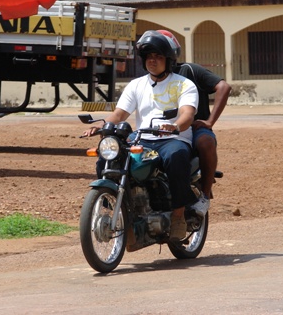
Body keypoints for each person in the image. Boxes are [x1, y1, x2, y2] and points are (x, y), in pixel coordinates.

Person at [82, 30, 201, 241]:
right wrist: (102, 126)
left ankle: (178, 216)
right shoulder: (137, 84)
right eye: (149, 57)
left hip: (172, 139)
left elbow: (187, 114)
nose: (152, 61)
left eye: (158, 56)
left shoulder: (184, 84)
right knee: (109, 155)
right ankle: (117, 203)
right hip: (143, 138)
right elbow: (120, 113)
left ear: (169, 60)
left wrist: (174, 127)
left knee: (176, 157)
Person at [158, 30, 232, 207]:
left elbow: (224, 87)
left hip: (194, 126)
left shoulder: (189, 70)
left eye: (160, 53)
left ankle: (204, 197)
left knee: (206, 142)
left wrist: (209, 122)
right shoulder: (149, 78)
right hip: (161, 128)